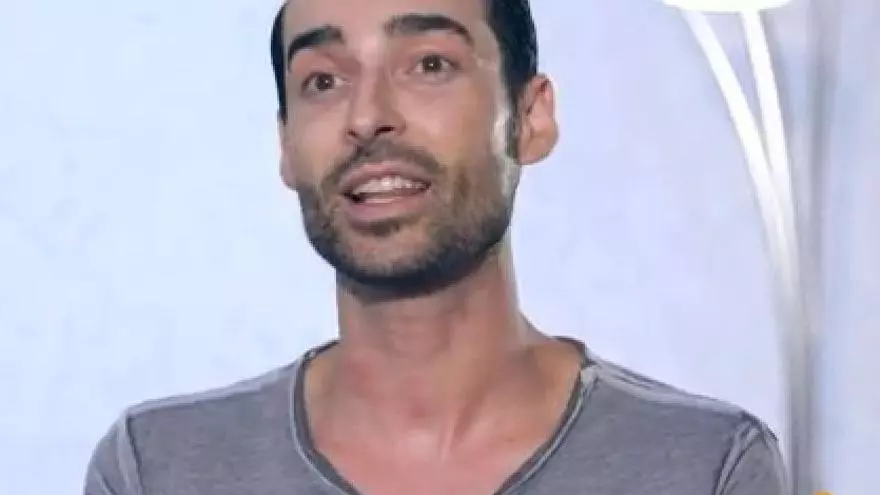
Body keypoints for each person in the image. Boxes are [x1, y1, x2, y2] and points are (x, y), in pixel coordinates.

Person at [84, 0, 788, 493]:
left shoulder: (704, 466)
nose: (367, 117)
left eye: (428, 64)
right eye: (323, 81)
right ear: (286, 146)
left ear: (530, 118)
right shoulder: (158, 468)